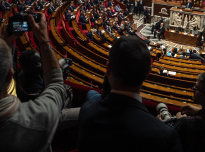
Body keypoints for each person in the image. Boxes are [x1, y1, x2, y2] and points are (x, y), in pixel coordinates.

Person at [78, 36, 183, 152]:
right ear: (148, 73)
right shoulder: (165, 136)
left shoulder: (87, 111)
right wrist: (157, 125)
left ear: (108, 68)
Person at [0, 13, 68, 152]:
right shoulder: (35, 119)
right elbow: (56, 84)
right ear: (9, 76)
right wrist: (43, 39)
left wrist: (5, 43)